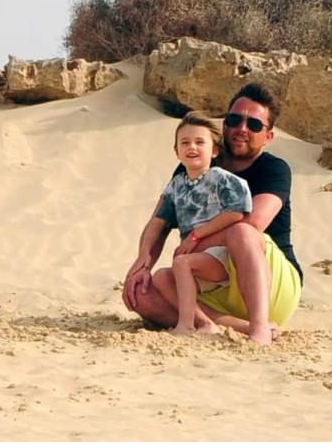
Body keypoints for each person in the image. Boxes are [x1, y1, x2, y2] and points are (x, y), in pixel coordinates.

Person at [123, 82, 303, 344]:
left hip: (271, 284)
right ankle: (233, 325)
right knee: (141, 293)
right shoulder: (191, 167)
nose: (242, 129)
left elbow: (253, 224)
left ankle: (260, 327)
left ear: (268, 136)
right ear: (224, 124)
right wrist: (141, 265)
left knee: (242, 231)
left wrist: (194, 241)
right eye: (234, 120)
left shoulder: (274, 170)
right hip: (209, 276)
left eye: (253, 125)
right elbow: (159, 221)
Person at [147, 115, 254, 338]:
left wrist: (197, 235)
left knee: (182, 263)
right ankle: (207, 323)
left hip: (221, 255)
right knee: (161, 278)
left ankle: (186, 326)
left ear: (214, 151)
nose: (192, 147)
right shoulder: (176, 185)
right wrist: (142, 260)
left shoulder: (221, 178)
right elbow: (157, 220)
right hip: (197, 260)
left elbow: (237, 211)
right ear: (176, 152)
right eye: (184, 143)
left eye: (199, 142)